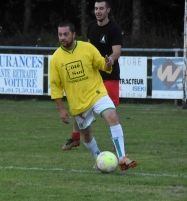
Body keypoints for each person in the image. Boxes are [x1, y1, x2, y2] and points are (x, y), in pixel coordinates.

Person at [50, 21, 137, 171]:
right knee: (87, 134)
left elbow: (101, 64)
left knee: (112, 116)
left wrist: (108, 63)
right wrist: (61, 109)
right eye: (60, 35)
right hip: (78, 103)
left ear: (74, 35)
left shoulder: (87, 48)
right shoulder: (56, 58)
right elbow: (55, 86)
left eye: (66, 34)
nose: (62, 37)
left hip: (97, 93)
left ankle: (122, 158)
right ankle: (99, 159)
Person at [62, 0, 123, 151]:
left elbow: (117, 51)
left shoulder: (114, 29)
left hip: (109, 75)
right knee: (80, 107)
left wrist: (110, 60)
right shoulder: (91, 26)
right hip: (92, 75)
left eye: (101, 8)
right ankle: (75, 138)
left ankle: (116, 143)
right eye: (96, 8)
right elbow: (87, 47)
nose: (98, 11)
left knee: (110, 111)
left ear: (108, 10)